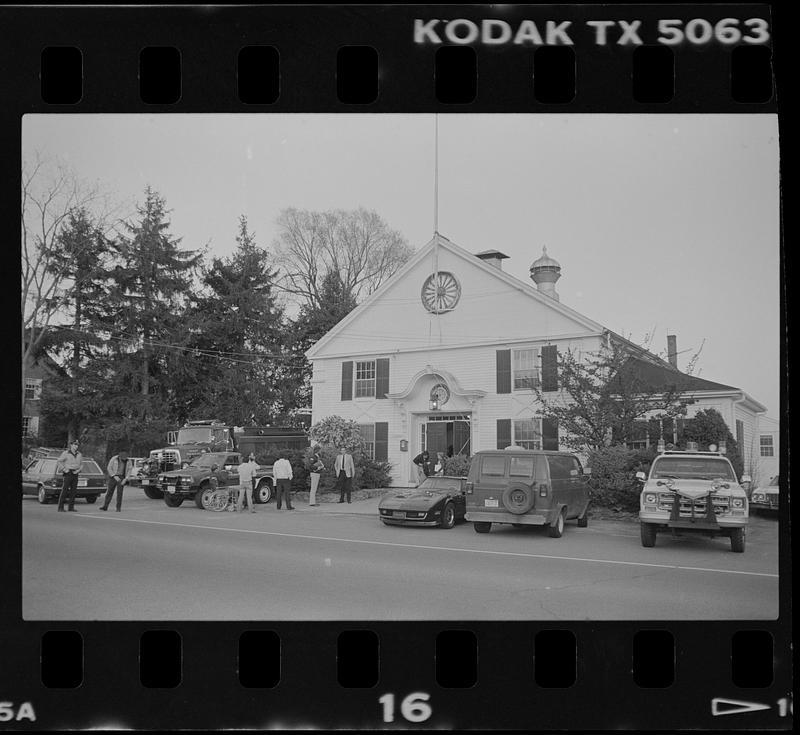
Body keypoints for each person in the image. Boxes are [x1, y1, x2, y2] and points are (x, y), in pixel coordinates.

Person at [56, 439, 83, 512]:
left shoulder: (79, 454)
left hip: (75, 473)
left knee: (73, 491)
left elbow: (81, 464)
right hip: (68, 473)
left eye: (77, 445)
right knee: (64, 490)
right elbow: (59, 461)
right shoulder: (66, 453)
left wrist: (78, 470)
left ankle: (71, 507)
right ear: (71, 445)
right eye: (74, 444)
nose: (76, 446)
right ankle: (60, 507)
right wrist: (64, 469)